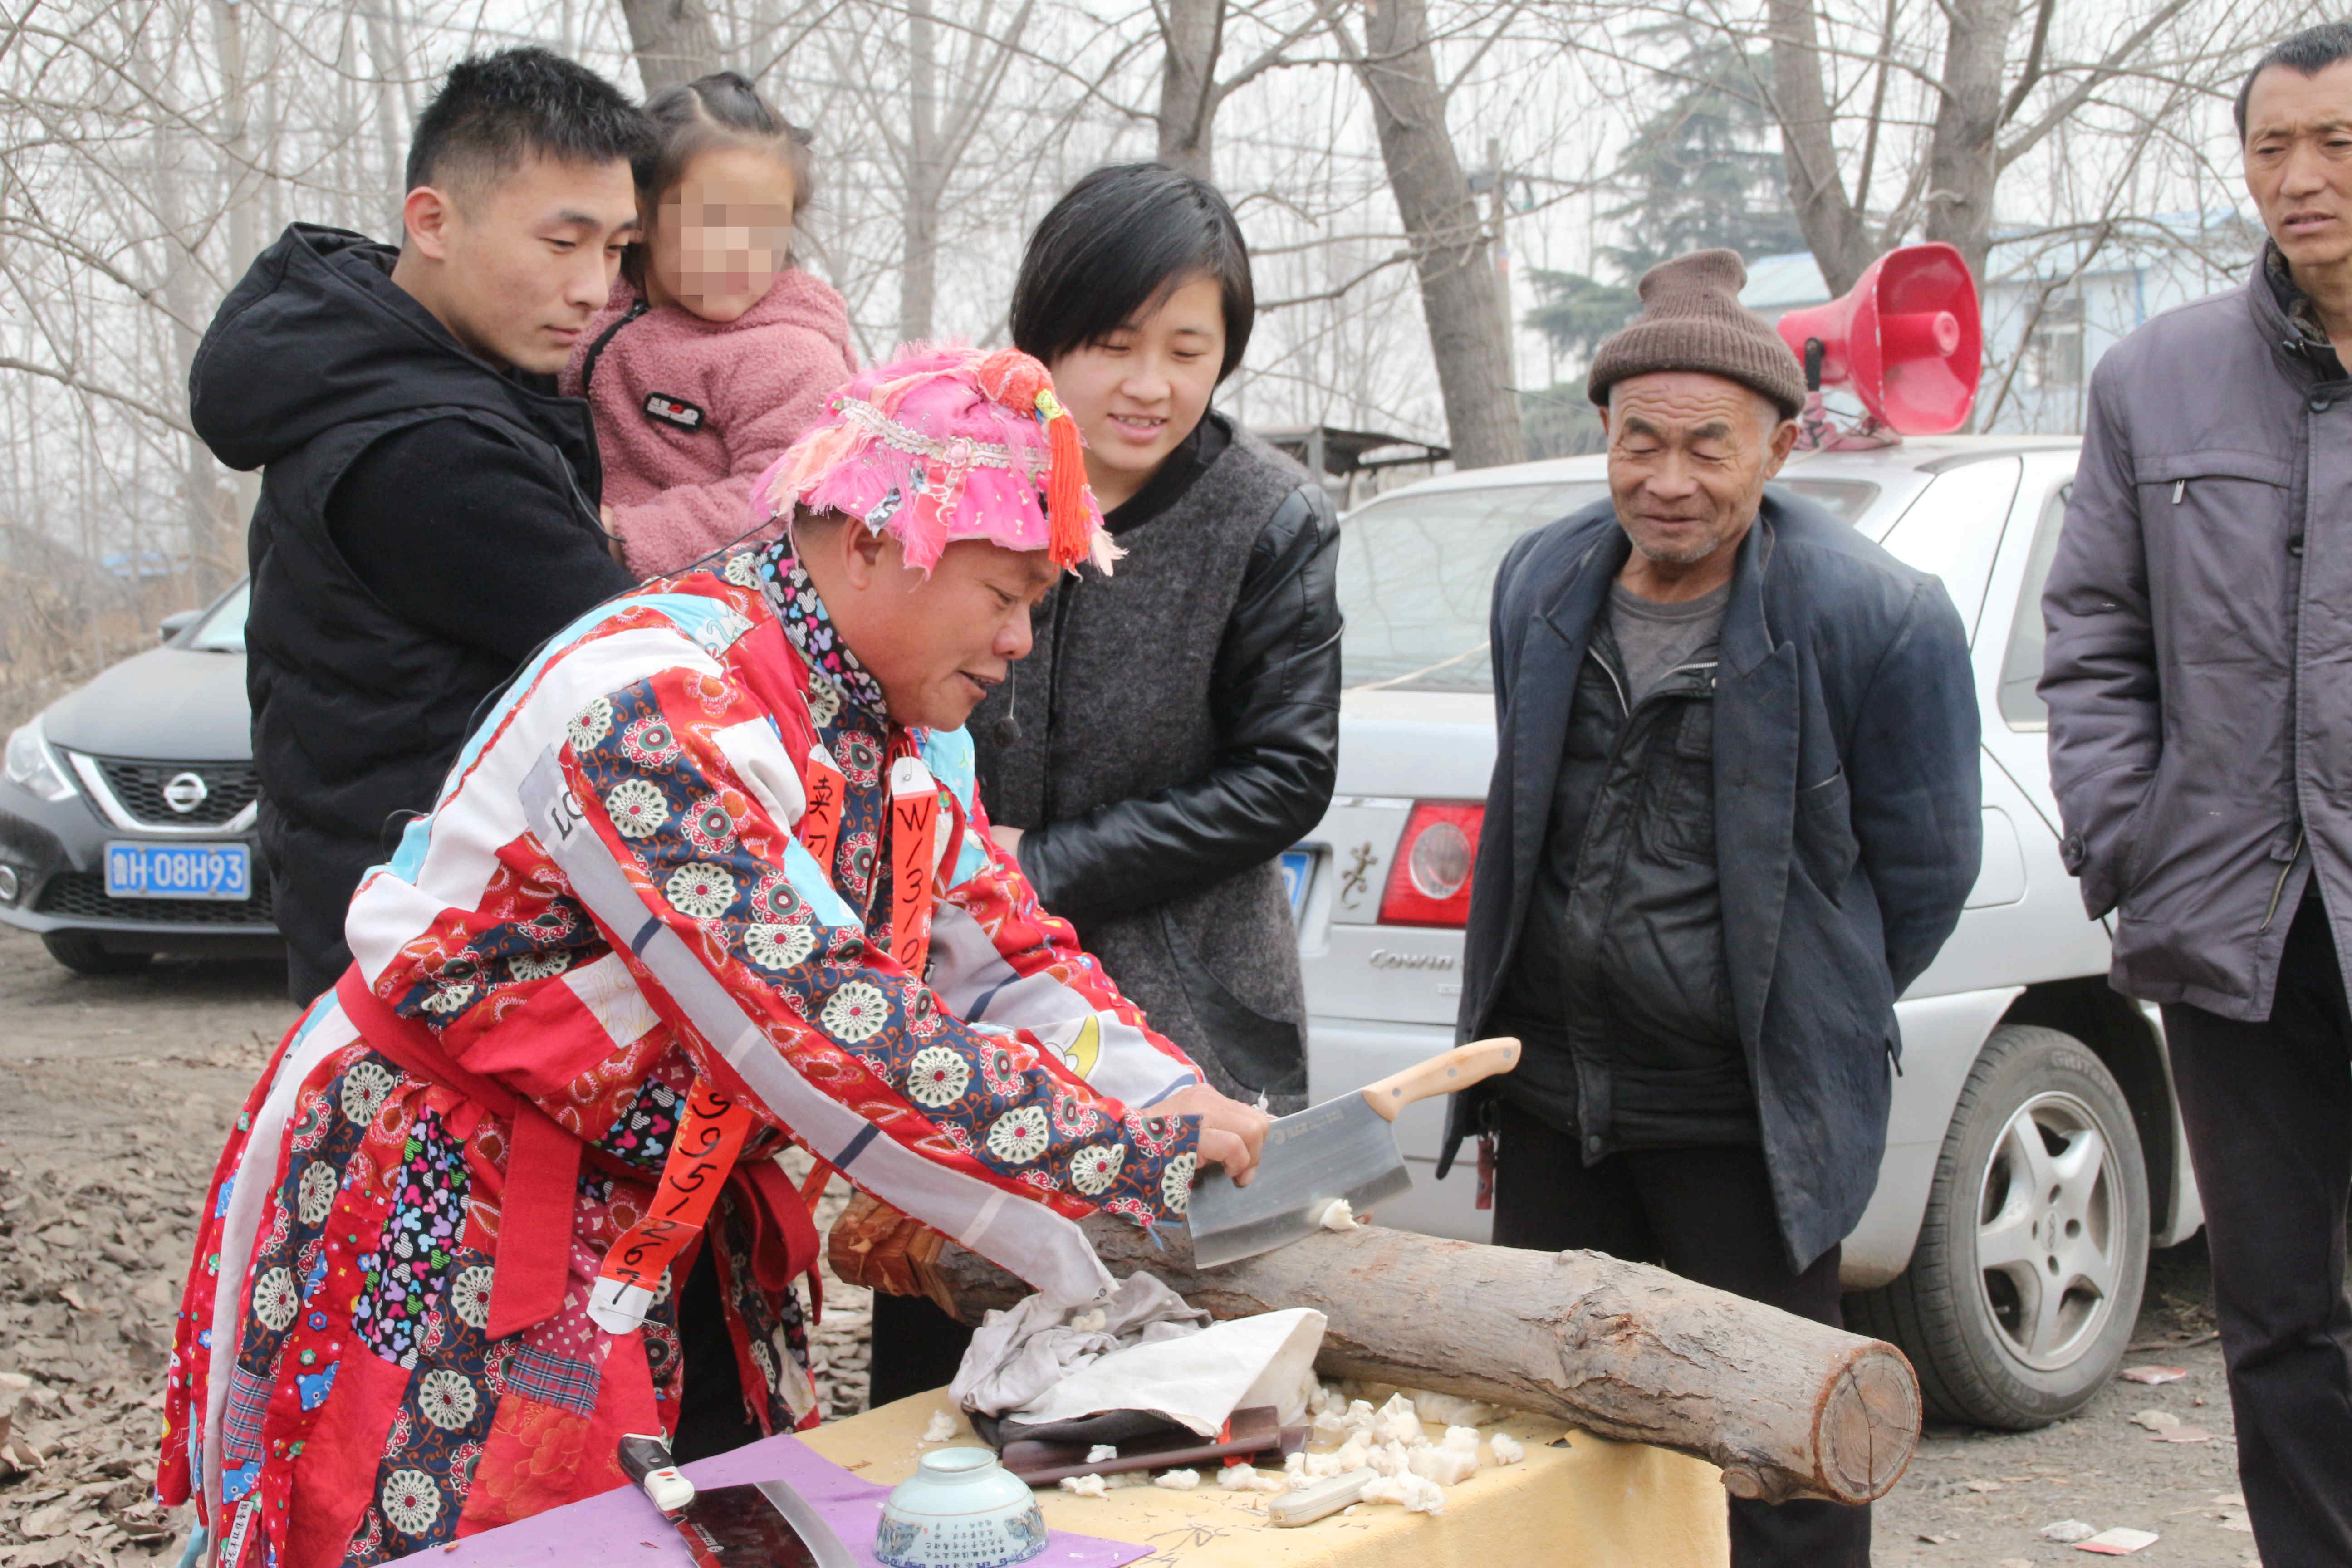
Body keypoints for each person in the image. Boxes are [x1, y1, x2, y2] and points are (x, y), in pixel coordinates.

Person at [155, 345, 1271, 1568]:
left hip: (663, 1201)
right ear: (867, 543)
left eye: (1032, 608)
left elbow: (1004, 960)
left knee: (708, 1521)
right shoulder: (653, 702)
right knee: (463, 1537)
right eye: (1002, 595)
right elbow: (818, 1020)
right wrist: (1123, 1155)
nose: (1017, 640)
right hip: (453, 1186)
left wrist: (1168, 1091)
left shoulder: (898, 731)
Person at [1436, 250, 1980, 1567]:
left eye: (1708, 449)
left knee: (1779, 1472)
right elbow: (1531, 819)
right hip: (1560, 1103)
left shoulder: (1876, 617)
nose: (1668, 482)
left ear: (1781, 448)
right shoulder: (1543, 586)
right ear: (1605, 437)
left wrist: (1802, 1001)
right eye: (1639, 443)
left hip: (1746, 1121)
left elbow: (1924, 873)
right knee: (1565, 1457)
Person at [861, 162, 1341, 1406]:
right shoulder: (953, 478)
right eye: (1116, 343)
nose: (1151, 385)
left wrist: (1040, 866)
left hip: (1189, 1003)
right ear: (1045, 332)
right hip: (960, 1013)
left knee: (1173, 1393)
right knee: (945, 1379)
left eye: (1189, 349)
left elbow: (1285, 776)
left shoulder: (1271, 517)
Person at [2039, 23, 2352, 1561]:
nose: (2298, 180)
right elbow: (2091, 633)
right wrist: (2125, 843)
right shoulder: (2154, 379)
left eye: (2337, 145)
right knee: (2278, 1307)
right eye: (2270, 148)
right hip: (2238, 923)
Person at [191, 48, 646, 1005]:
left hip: (397, 928)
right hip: (435, 968)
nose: (595, 290)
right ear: (432, 222)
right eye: (563, 245)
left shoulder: (374, 367)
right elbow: (645, 668)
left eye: (616, 250)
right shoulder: (429, 452)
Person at [559, 71, 857, 579]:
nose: (741, 251)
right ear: (642, 214)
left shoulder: (791, 354)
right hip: (566, 565)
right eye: (715, 221)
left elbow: (787, 501)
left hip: (707, 613)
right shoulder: (587, 301)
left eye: (765, 228)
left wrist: (621, 535)